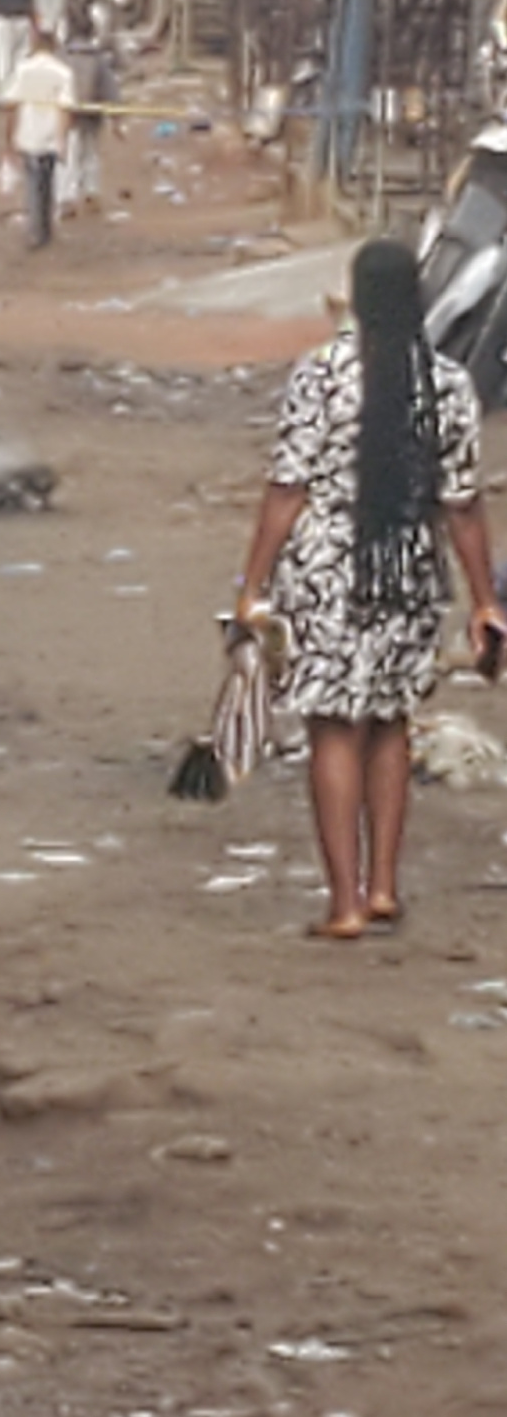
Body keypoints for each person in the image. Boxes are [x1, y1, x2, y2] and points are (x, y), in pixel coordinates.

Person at [235, 236, 507, 940]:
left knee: (333, 726)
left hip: (327, 568)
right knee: (390, 722)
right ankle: (384, 887)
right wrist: (485, 600)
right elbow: (463, 504)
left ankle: (344, 903)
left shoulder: (320, 375)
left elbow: (288, 489)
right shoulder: (448, 383)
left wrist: (253, 583)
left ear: (355, 299)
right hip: (411, 570)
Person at [2, 27, 75, 248]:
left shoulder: (23, 70)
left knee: (33, 184)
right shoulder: (63, 73)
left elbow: (12, 105)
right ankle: (45, 229)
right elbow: (65, 109)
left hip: (28, 132)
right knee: (47, 182)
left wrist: (9, 138)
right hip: (51, 135)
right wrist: (63, 140)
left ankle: (36, 231)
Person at [57, 0, 120, 214]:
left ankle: (67, 197)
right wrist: (117, 119)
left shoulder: (62, 57)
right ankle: (91, 192)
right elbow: (110, 89)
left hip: (67, 115)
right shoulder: (98, 59)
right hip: (93, 114)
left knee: (68, 156)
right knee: (90, 153)